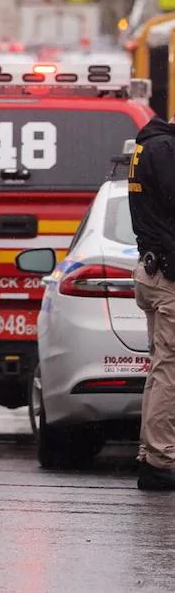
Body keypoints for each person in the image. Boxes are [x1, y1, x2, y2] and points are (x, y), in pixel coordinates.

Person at [127, 115, 175, 491]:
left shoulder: (151, 146)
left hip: (153, 270)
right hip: (167, 275)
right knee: (169, 370)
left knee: (161, 367)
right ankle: (161, 459)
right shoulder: (163, 149)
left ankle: (152, 453)